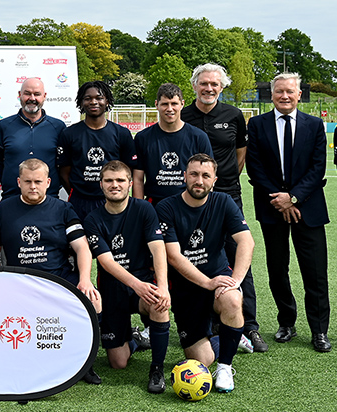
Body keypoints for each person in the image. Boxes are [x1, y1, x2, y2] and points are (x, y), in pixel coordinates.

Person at [0, 158, 102, 384]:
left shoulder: (63, 208)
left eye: (38, 181)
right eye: (27, 181)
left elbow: (82, 248)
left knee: (94, 301)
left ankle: (85, 363)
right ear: (18, 182)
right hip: (18, 281)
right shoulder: (3, 210)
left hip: (58, 277)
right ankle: (14, 361)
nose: (33, 187)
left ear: (48, 182)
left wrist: (85, 280)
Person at [181, 63, 266, 352]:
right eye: (203, 84)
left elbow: (239, 154)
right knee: (196, 256)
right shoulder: (184, 115)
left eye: (214, 85)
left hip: (227, 194)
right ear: (194, 86)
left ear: (222, 87)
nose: (209, 89)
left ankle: (249, 326)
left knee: (237, 255)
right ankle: (203, 325)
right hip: (191, 198)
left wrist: (221, 183)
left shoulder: (233, 116)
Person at [245, 72, 331, 353]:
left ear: (298, 95)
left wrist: (292, 198)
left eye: (289, 92)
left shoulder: (315, 125)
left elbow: (317, 167)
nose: (284, 96)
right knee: (277, 269)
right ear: (272, 95)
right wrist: (280, 201)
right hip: (272, 209)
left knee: (315, 272)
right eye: (279, 91)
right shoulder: (257, 125)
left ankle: (319, 330)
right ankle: (287, 323)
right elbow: (255, 167)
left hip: (308, 208)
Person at [156, 154, 254, 392]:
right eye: (194, 174)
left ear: (214, 180)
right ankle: (230, 335)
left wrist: (236, 281)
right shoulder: (166, 207)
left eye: (205, 176)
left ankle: (225, 367)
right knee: (200, 361)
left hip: (218, 277)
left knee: (232, 298)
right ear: (184, 176)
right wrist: (207, 282)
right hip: (187, 287)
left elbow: (246, 242)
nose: (199, 181)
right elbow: (174, 256)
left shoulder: (223, 201)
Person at [84, 160, 170, 393]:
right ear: (101, 184)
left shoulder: (144, 209)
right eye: (109, 181)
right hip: (113, 289)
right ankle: (134, 340)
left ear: (130, 184)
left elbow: (158, 248)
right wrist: (137, 284)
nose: (115, 185)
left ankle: (157, 368)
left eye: (120, 180)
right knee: (118, 362)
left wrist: (162, 286)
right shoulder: (93, 219)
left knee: (159, 304)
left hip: (143, 283)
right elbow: (106, 261)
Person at [58, 81, 135, 220]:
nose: (93, 102)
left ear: (107, 101)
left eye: (99, 98)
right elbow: (64, 172)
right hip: (79, 202)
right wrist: (78, 192)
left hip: (112, 201)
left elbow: (128, 170)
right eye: (88, 98)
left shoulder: (121, 133)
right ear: (81, 102)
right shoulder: (69, 134)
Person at [132, 83, 213, 205]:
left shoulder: (199, 137)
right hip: (155, 204)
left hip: (188, 204)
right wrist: (139, 210)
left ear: (182, 104)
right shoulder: (143, 138)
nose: (170, 109)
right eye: (165, 104)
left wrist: (204, 208)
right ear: (156, 105)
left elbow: (209, 176)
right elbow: (138, 179)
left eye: (174, 103)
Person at [0, 78, 65, 200]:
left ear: (44, 96)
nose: (32, 98)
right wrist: (11, 183)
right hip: (12, 198)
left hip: (49, 199)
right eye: (27, 93)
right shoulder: (4, 126)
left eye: (37, 94)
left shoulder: (58, 127)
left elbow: (64, 163)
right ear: (19, 95)